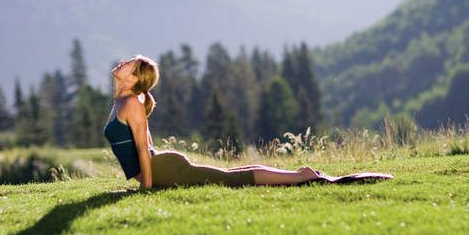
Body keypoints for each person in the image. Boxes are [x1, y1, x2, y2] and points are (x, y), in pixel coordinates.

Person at [104, 54, 325, 189]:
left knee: (232, 180)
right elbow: (145, 143)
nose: (121, 62)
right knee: (230, 175)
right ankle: (299, 174)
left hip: (164, 169)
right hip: (161, 167)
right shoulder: (124, 101)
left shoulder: (131, 103)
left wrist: (146, 186)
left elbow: (144, 149)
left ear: (133, 79)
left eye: (128, 64)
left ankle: (300, 177)